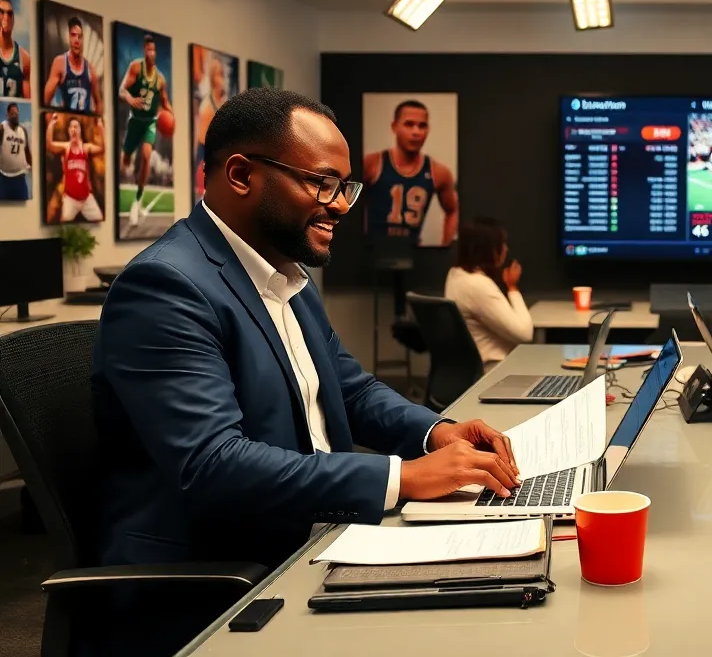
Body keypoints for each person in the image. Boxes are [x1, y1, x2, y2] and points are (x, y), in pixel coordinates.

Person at [91, 89, 521, 652]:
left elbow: (351, 390)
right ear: (241, 175)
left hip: (316, 536)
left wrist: (436, 433)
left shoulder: (286, 276)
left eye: (345, 186)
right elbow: (214, 464)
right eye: (323, 183)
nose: (341, 204)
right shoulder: (167, 288)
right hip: (224, 580)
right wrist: (403, 477)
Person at [363, 99, 459, 244]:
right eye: (409, 124)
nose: (416, 132)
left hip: (413, 255)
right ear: (394, 127)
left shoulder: (439, 172)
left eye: (422, 126)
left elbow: (452, 211)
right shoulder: (372, 164)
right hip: (371, 253)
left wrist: (445, 249)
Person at [444, 217, 533, 370]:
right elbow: (525, 334)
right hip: (494, 372)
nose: (506, 249)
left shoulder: (455, 275)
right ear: (489, 249)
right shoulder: (478, 285)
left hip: (473, 370)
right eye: (502, 244)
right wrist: (512, 288)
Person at [119, 33, 172, 226]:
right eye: (148, 50)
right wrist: (131, 99)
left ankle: (137, 200)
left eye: (154, 50)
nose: (151, 53)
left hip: (150, 121)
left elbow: (165, 102)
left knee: (148, 154)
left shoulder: (160, 79)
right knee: (125, 159)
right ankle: (127, 174)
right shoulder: (135, 68)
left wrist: (172, 117)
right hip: (135, 120)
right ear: (144, 51)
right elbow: (121, 90)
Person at [46, 114, 104, 221]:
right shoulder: (66, 147)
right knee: (63, 222)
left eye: (76, 127)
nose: (73, 129)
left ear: (80, 130)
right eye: (71, 127)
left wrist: (100, 126)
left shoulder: (86, 148)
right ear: (68, 131)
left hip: (86, 198)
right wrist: (51, 124)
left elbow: (102, 148)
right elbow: (50, 145)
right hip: (70, 198)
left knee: (99, 219)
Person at [42, 16, 101, 114]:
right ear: (69, 37)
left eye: (80, 36)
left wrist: (95, 122)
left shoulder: (90, 69)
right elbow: (45, 101)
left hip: (84, 123)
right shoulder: (60, 62)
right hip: (67, 122)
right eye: (73, 35)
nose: (77, 40)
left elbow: (99, 103)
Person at [193, 56, 229, 202]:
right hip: (205, 151)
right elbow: (202, 136)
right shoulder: (208, 104)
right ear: (213, 78)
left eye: (222, 75)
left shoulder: (224, 103)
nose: (221, 79)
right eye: (218, 75)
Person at [0, 0, 31, 99]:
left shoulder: (24, 57)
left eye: (10, 13)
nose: (6, 17)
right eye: (1, 12)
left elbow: (28, 102)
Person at [0, 102, 31, 201]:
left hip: (20, 178)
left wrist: (32, 165)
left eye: (17, 114)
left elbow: (27, 152)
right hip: (4, 178)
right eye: (13, 113)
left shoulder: (23, 130)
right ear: (7, 115)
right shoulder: (2, 128)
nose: (16, 116)